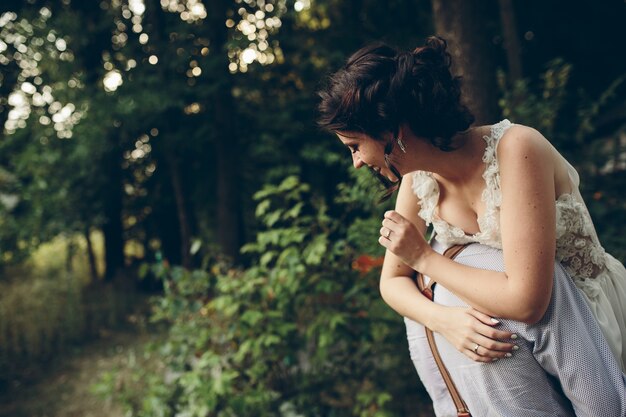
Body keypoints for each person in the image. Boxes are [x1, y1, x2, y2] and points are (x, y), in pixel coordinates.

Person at [317, 36, 626, 411]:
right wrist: (446, 320)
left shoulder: (516, 149)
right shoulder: (419, 178)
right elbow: (392, 283)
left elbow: (528, 301)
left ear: (393, 131)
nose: (357, 162)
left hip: (586, 327)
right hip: (516, 346)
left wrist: (425, 259)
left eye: (354, 146)